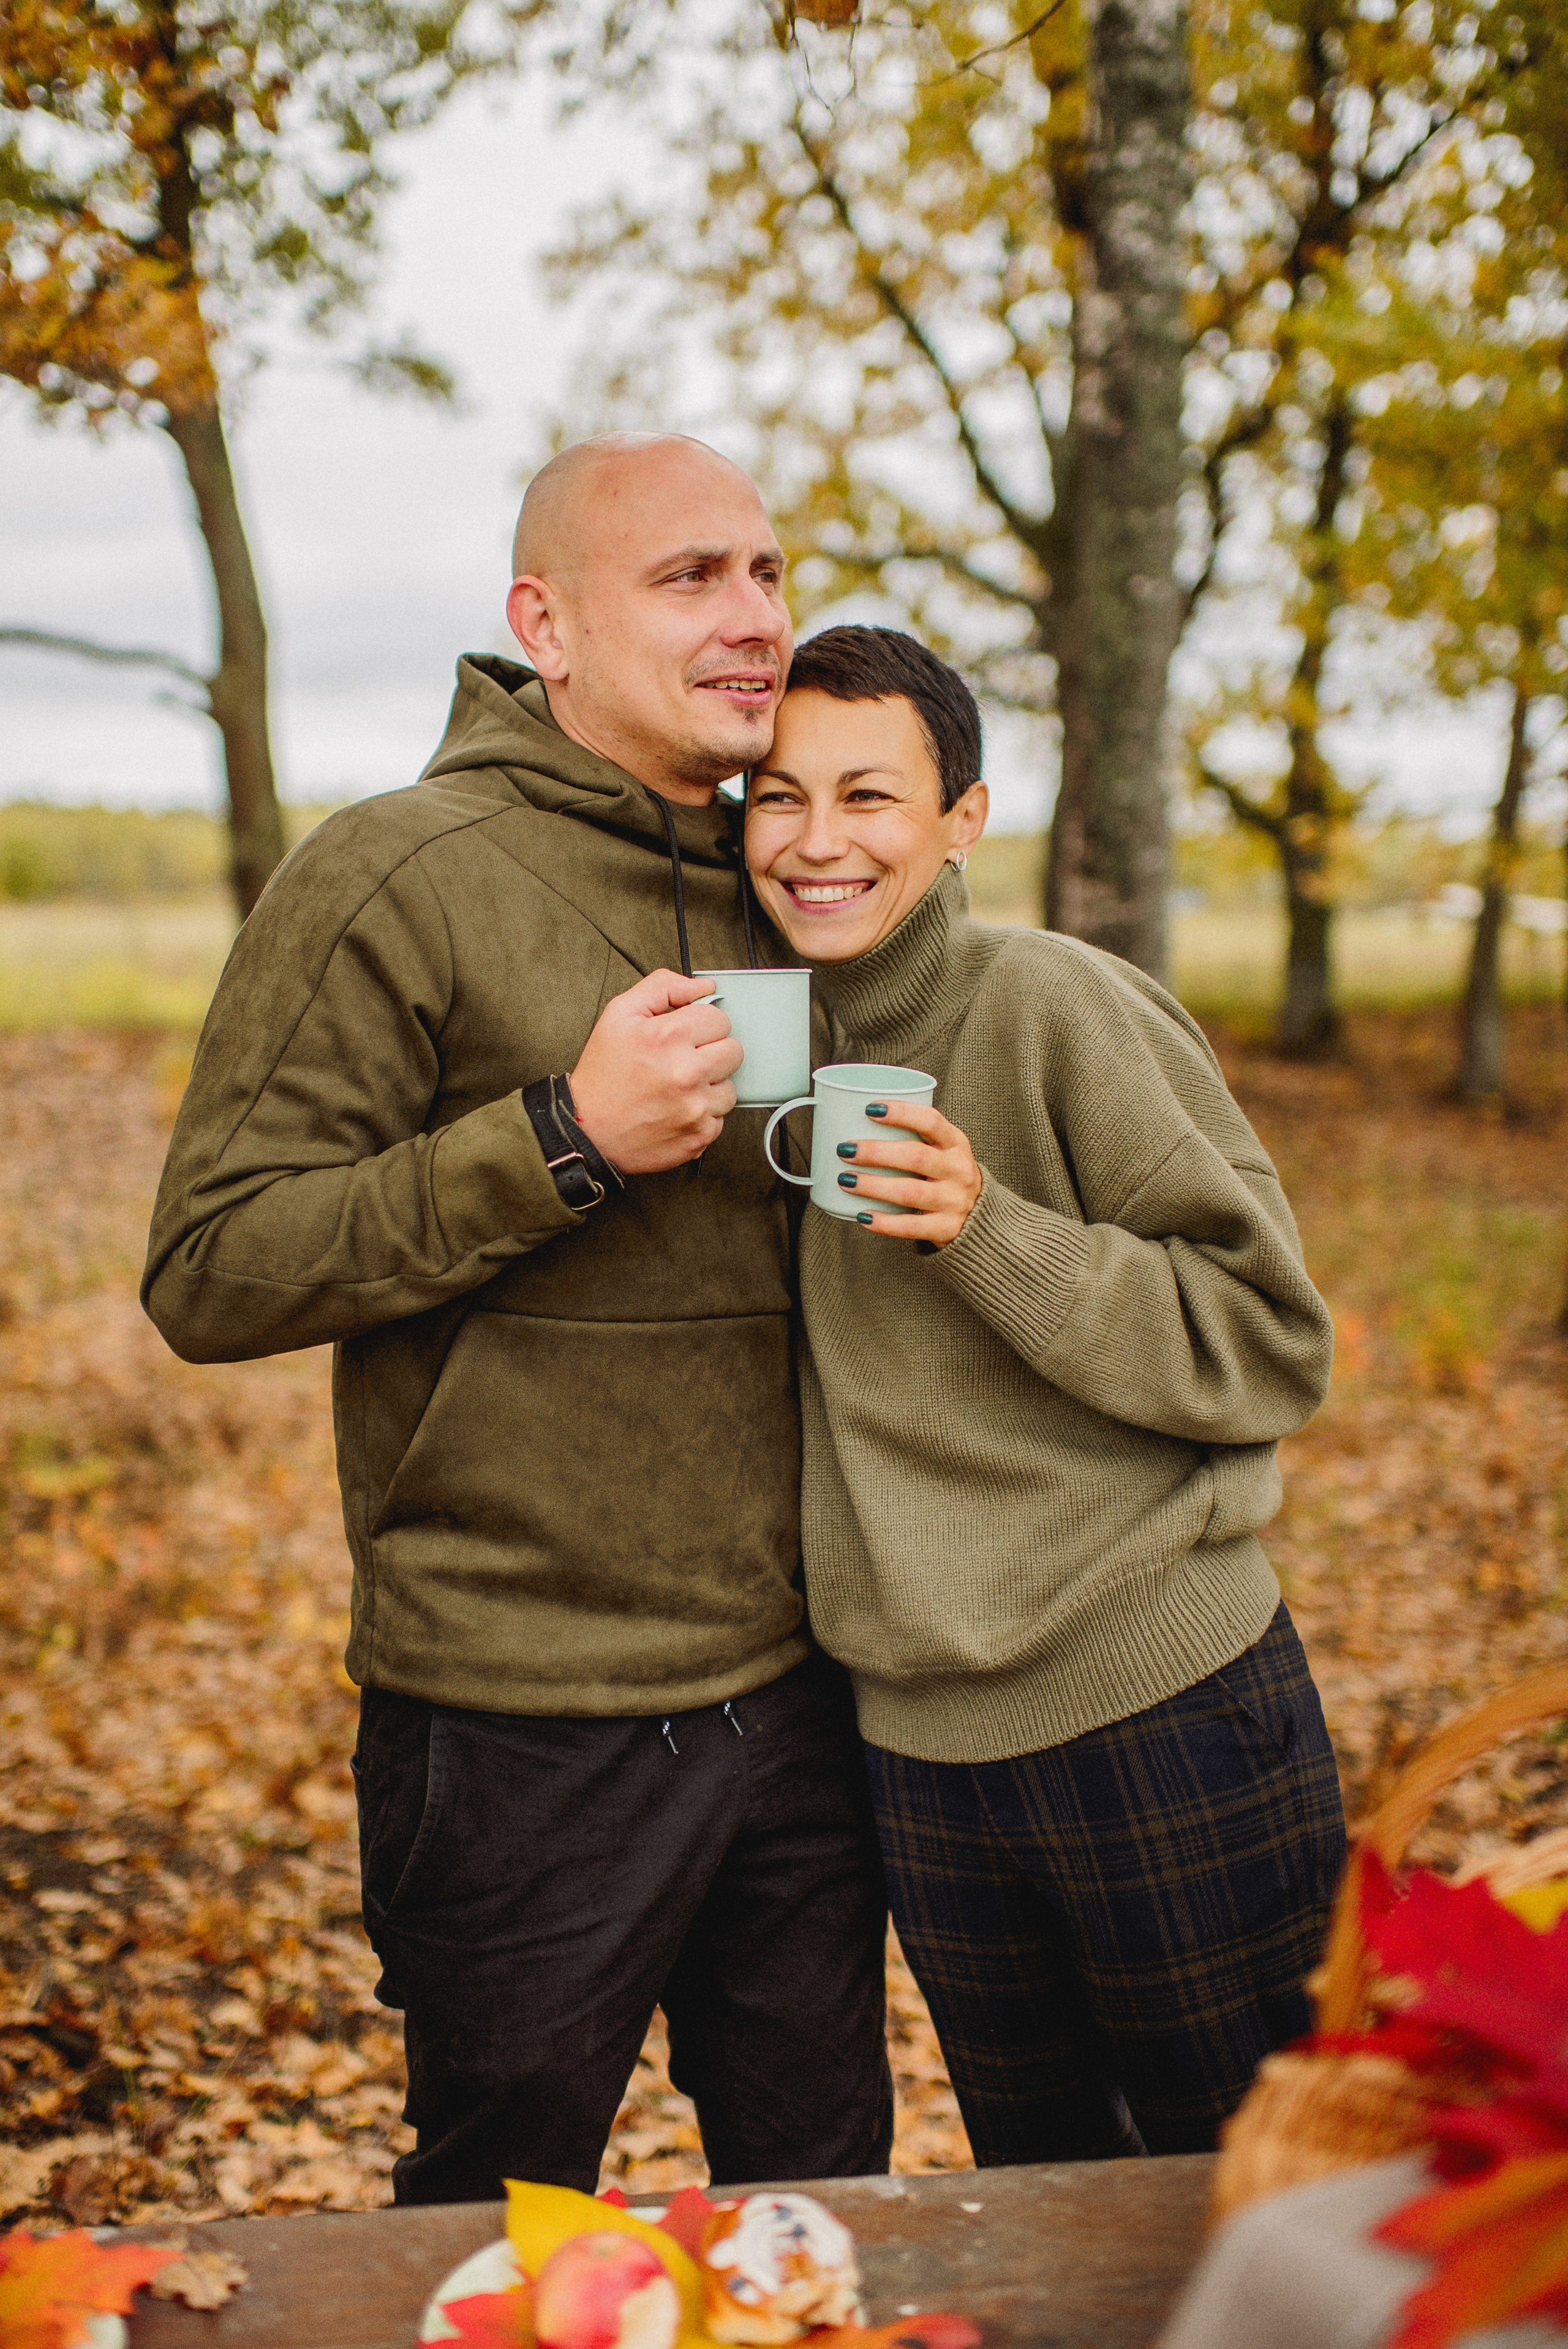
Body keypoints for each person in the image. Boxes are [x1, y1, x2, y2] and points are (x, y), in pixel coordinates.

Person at [141, 437, 894, 2203]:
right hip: (518, 1715)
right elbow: (214, 1265)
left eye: (770, 574)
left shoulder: (798, 877)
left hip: (801, 1698)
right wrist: (563, 1139)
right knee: (500, 2209)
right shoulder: (395, 874)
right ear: (540, 623)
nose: (754, 618)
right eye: (692, 577)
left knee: (821, 2193)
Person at [744, 623, 1348, 2167]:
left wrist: (988, 1230)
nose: (816, 842)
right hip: (921, 1752)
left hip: (1157, 1703)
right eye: (774, 795)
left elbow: (1267, 1342)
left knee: (1256, 2193)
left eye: (868, 797)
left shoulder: (1060, 1006)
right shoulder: (760, 1044)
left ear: (962, 819)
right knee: (1047, 2192)